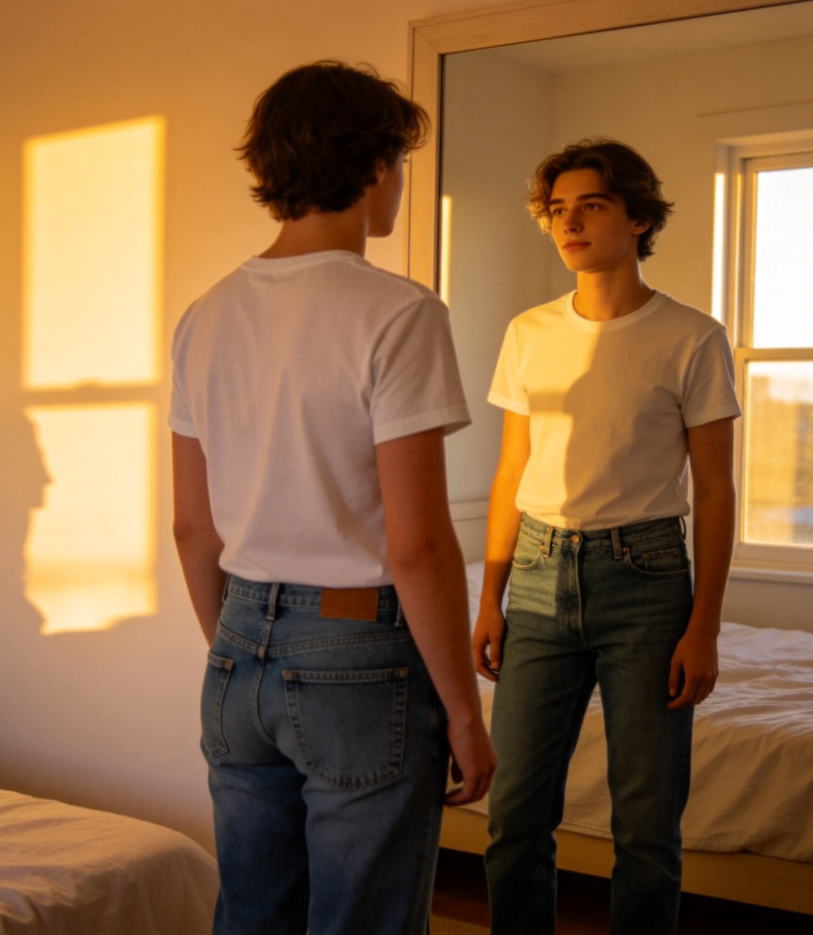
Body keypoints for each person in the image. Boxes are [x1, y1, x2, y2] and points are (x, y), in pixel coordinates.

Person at [169, 60, 495, 935]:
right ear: (375, 166)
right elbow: (419, 545)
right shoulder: (397, 312)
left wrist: (243, 654)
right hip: (358, 654)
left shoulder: (205, 314)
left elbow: (192, 528)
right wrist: (464, 714)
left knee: (254, 917)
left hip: (236, 646)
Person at [472, 139, 741, 935]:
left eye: (590, 205)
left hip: (649, 580)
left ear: (637, 216)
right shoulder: (529, 332)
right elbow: (511, 473)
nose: (570, 222)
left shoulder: (692, 336)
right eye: (558, 209)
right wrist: (490, 598)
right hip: (540, 570)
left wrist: (705, 626)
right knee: (514, 815)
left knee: (648, 825)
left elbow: (717, 490)